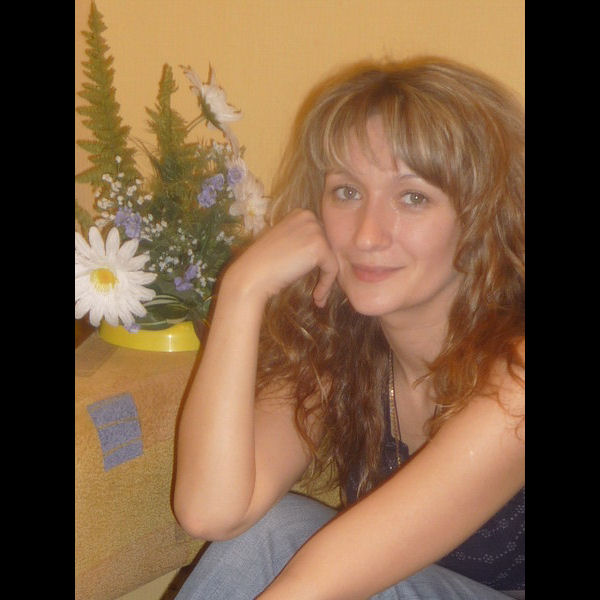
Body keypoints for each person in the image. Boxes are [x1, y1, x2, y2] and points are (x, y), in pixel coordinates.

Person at [173, 56, 525, 600]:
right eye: (346, 191)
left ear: (484, 218)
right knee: (269, 532)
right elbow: (211, 512)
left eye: (413, 197)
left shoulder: (518, 375)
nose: (365, 235)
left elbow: (314, 588)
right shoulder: (339, 345)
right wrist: (241, 290)